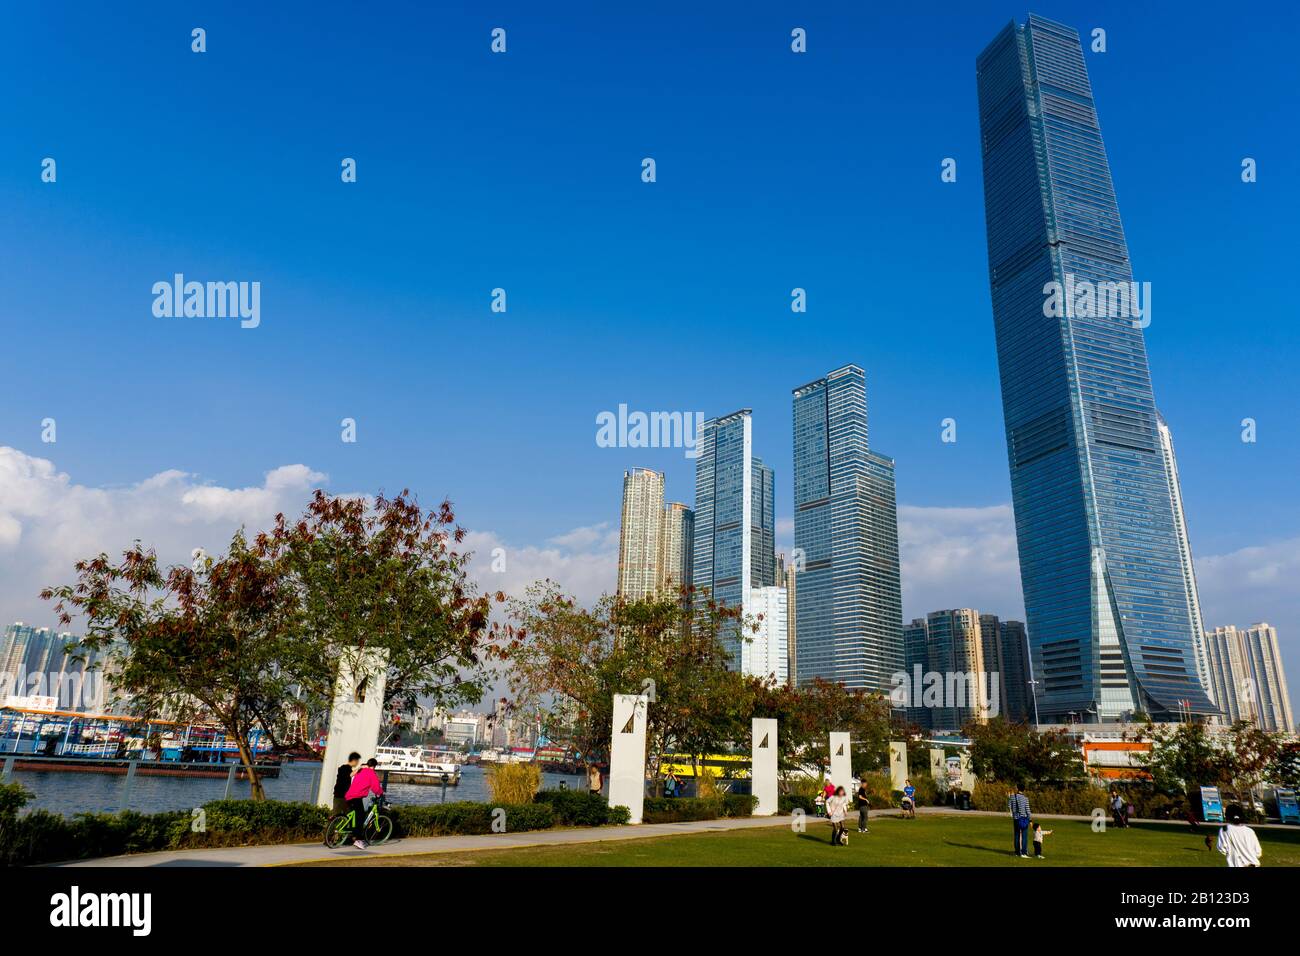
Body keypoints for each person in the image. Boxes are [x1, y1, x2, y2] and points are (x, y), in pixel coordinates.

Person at [344, 757, 385, 848]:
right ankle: (358, 840)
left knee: (354, 818)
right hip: (356, 797)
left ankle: (353, 835)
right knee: (361, 817)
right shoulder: (372, 774)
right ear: (374, 766)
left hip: (349, 796)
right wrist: (381, 794)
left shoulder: (361, 771)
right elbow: (376, 788)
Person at [1008, 783, 1031, 858]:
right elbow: (1028, 810)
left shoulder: (1012, 797)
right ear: (1024, 790)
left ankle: (1017, 852)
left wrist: (1013, 813)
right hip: (1023, 819)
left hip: (1016, 819)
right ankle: (1024, 852)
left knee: (1016, 835)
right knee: (1024, 836)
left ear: (1017, 788)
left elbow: (1009, 806)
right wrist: (1030, 820)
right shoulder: (1025, 799)